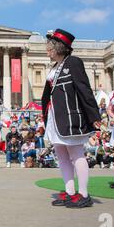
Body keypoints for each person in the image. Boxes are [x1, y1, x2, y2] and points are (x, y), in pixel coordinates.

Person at [41, 29, 101, 208]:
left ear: (58, 48)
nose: (47, 52)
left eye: (49, 48)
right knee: (61, 155)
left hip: (69, 116)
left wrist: (94, 115)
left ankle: (83, 194)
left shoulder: (73, 63)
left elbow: (84, 89)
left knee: (76, 154)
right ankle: (70, 192)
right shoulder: (54, 67)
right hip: (55, 118)